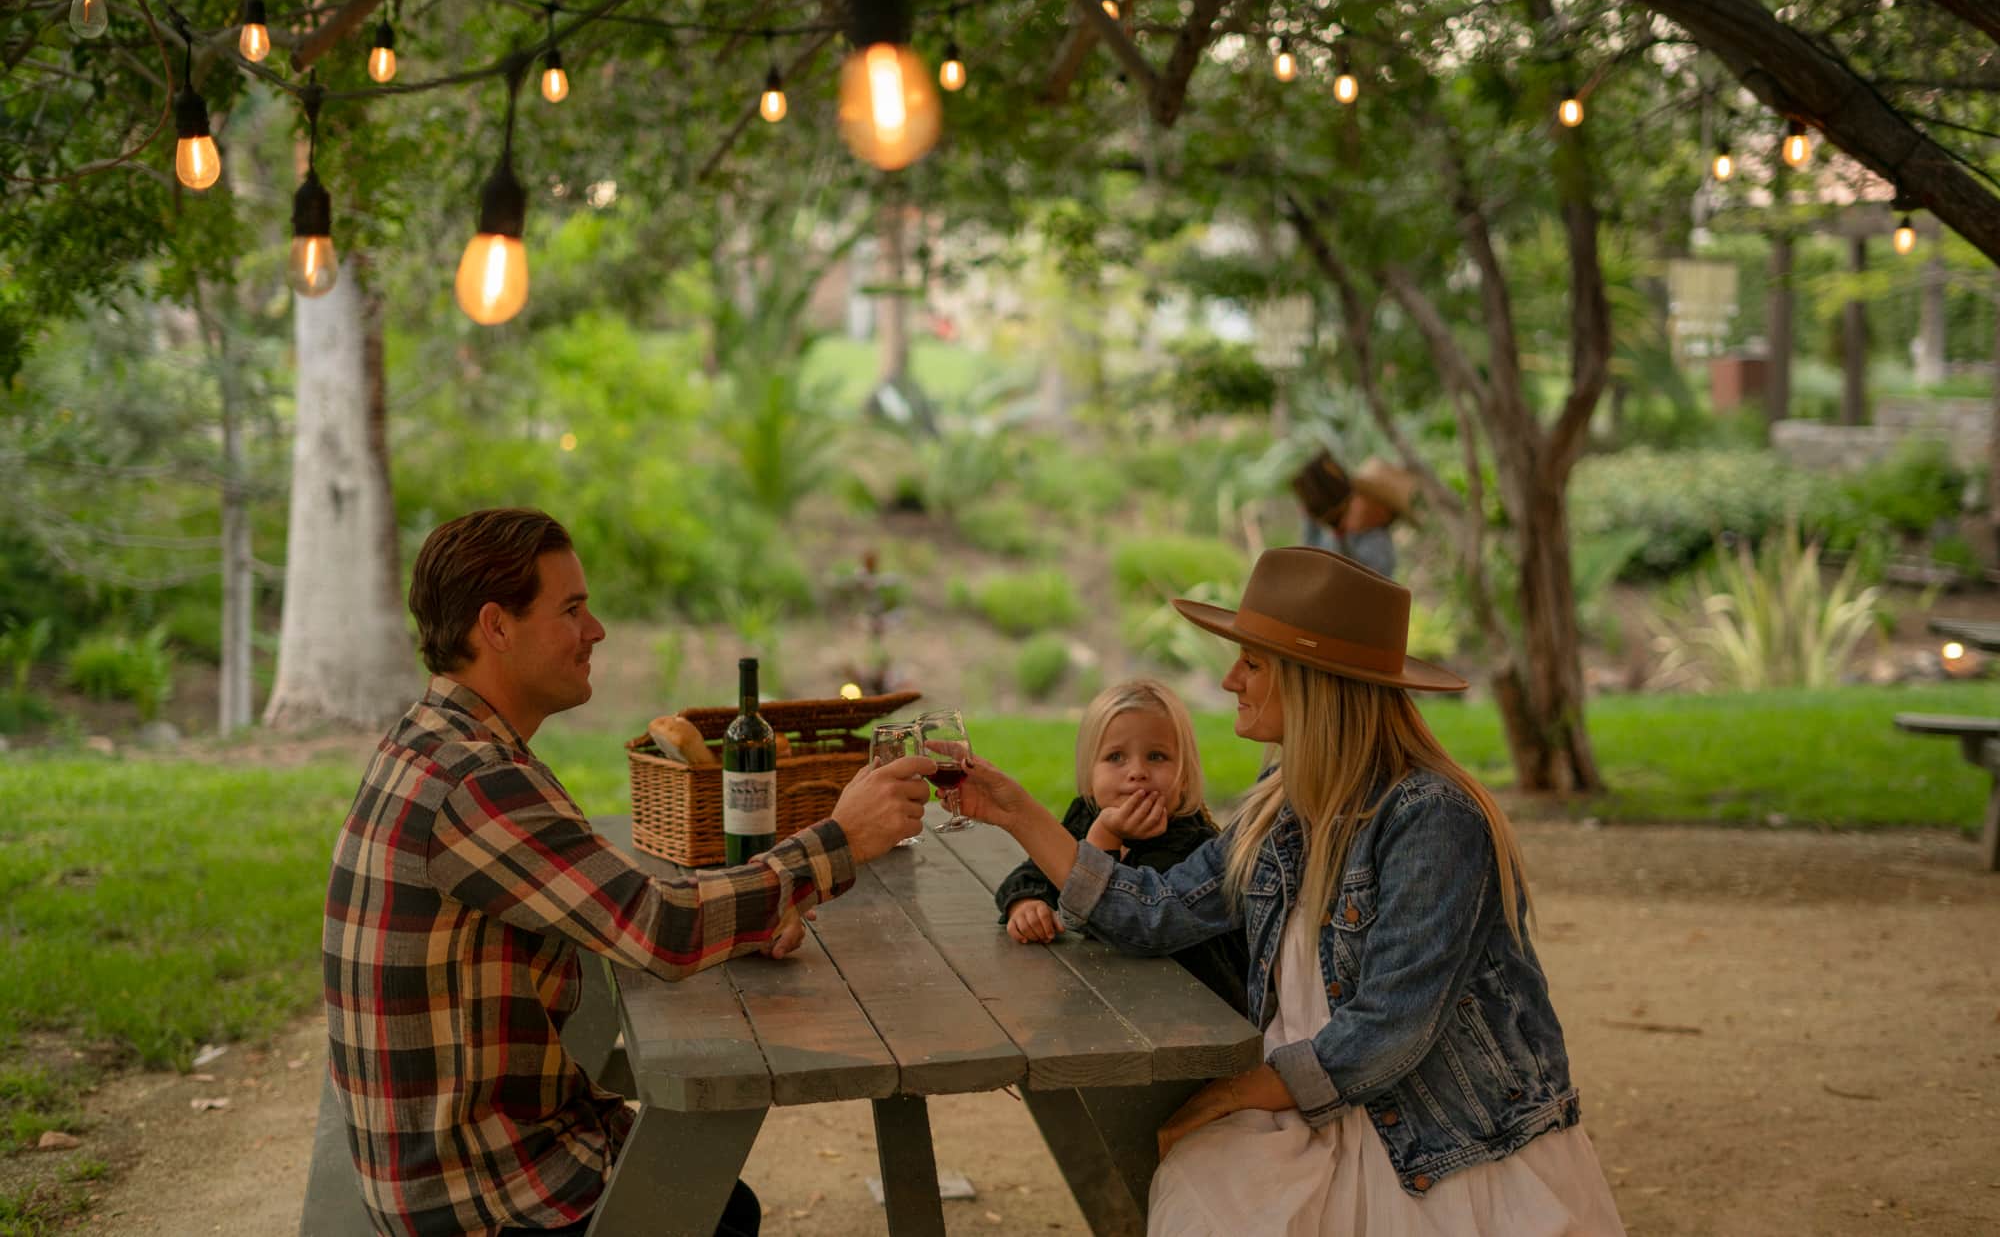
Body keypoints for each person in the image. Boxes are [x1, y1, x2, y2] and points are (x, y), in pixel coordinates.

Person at [952, 547, 1625, 1236]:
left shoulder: (1432, 819)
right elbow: (1155, 913)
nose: (1228, 680)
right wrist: (1014, 810)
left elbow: (1385, 1033)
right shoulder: (1283, 815)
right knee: (1197, 1192)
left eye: (1252, 662)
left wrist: (1231, 1095)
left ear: (1312, 680)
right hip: (1317, 1116)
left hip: (1440, 1151)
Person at [322, 508, 933, 1237]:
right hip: (478, 1194)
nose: (597, 630)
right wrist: (839, 838)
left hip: (437, 1158)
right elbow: (659, 929)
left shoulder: (433, 740)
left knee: (715, 1199)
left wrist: (748, 916)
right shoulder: (475, 779)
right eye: (572, 609)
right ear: (496, 627)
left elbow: (624, 905)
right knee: (711, 1205)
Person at [992, 679, 1249, 1014]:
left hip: (1192, 1012)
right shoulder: (1086, 813)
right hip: (1112, 1001)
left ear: (1184, 775)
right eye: (1116, 757)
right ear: (1089, 772)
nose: (1137, 772)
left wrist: (1104, 839)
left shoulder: (1190, 844)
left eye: (1157, 756)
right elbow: (1033, 870)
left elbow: (1118, 921)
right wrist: (1027, 902)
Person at [1295, 455, 1414, 580]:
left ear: (1381, 513)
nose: (1353, 503)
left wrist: (1340, 533)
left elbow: (1355, 580)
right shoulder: (1342, 533)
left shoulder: (1380, 547)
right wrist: (1309, 516)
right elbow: (1311, 551)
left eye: (1361, 498)